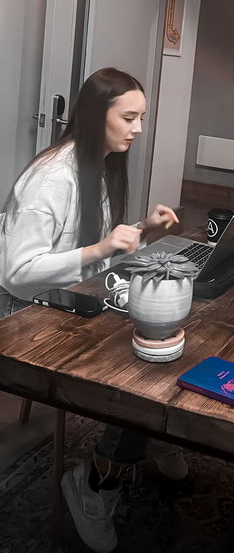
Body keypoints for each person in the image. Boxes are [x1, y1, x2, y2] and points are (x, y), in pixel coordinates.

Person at [0, 68, 184, 553]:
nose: (137, 129)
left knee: (167, 333)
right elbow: (17, 273)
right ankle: (99, 481)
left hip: (65, 299)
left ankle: (149, 435)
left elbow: (92, 250)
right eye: (128, 117)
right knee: (139, 366)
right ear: (93, 114)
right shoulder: (52, 179)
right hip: (21, 314)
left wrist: (144, 231)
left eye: (141, 118)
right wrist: (102, 249)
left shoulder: (96, 164)